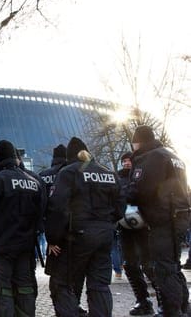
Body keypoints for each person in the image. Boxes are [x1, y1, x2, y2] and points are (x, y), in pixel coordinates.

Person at [46, 137, 124, 317]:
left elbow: (57, 207)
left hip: (76, 237)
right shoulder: (109, 173)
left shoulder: (69, 172)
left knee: (62, 284)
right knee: (99, 285)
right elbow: (120, 208)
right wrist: (105, 224)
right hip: (105, 236)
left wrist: (53, 238)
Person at [0, 140, 45, 316]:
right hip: (26, 248)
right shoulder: (33, 181)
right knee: (24, 288)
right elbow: (40, 214)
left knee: (1, 291)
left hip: (1, 247)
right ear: (15, 157)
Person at [125, 125, 190, 316]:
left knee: (164, 269)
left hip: (162, 218)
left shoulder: (151, 157)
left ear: (138, 141)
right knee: (173, 265)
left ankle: (171, 311)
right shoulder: (172, 155)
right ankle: (184, 306)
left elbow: (141, 188)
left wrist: (123, 195)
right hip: (179, 215)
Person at [117, 152, 156, 315]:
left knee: (149, 265)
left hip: (144, 227)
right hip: (125, 229)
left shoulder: (141, 176)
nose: (127, 163)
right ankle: (142, 300)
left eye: (129, 160)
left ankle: (164, 299)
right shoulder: (117, 178)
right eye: (124, 161)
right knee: (130, 265)